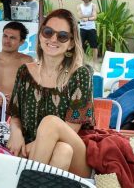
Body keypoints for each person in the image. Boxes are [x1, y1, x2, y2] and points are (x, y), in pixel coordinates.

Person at [7, 9, 93, 178]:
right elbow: (15, 114)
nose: (53, 39)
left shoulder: (80, 74)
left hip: (77, 154)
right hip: (51, 153)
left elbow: (72, 127)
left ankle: (26, 185)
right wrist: (16, 133)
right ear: (40, 36)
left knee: (51, 124)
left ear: (71, 43)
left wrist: (34, 146)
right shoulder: (25, 72)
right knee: (62, 152)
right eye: (48, 32)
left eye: (62, 36)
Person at [0, 21, 33, 121]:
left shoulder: (27, 62)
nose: (7, 41)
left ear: (21, 42)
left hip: (14, 112)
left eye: (12, 38)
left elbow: (31, 92)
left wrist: (15, 103)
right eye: (5, 36)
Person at [76, 0, 99, 67]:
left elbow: (94, 17)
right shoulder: (79, 6)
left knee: (94, 47)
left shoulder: (93, 5)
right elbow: (80, 16)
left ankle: (95, 64)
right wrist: (90, 16)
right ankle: (82, 63)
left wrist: (87, 18)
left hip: (91, 28)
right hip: (82, 28)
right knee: (80, 47)